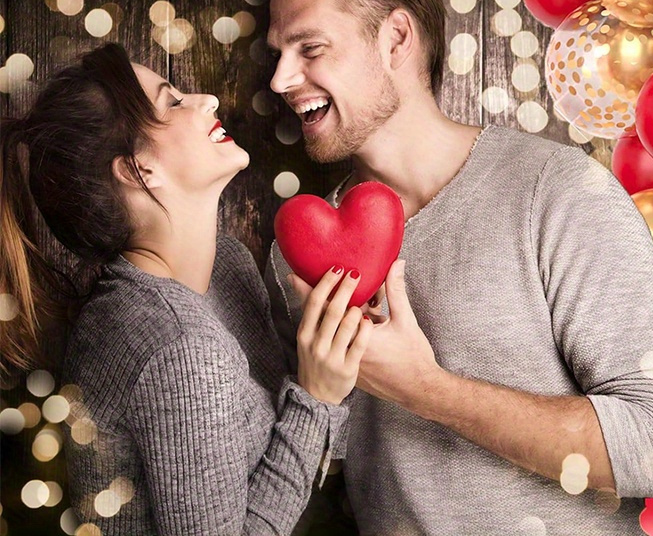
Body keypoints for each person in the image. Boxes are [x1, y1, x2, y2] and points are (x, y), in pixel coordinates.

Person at [265, 0, 653, 536]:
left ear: (395, 39)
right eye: (278, 53)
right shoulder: (296, 258)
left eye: (310, 50)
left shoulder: (554, 191)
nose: (280, 80)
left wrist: (425, 390)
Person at [0, 43, 375, 536]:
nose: (207, 101)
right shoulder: (179, 348)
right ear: (138, 170)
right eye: (172, 102)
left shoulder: (227, 268)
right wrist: (316, 400)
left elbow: (280, 454)